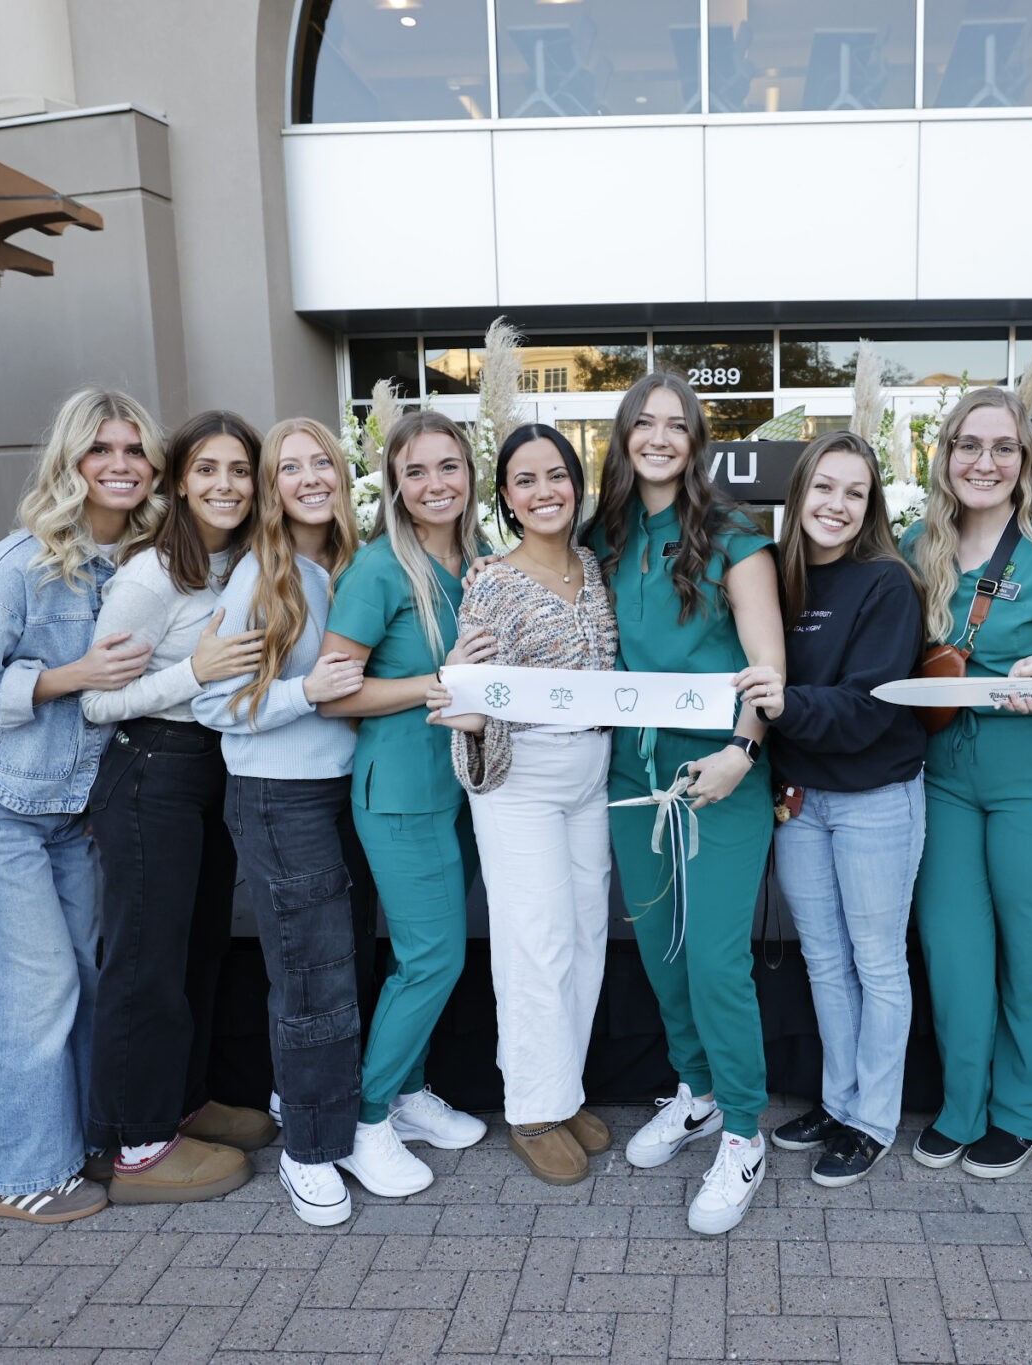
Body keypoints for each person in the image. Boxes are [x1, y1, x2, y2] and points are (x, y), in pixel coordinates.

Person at [0, 388, 163, 1224]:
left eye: (135, 449)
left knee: (83, 976)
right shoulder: (12, 566)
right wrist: (68, 677)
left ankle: (70, 1141)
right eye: (101, 449)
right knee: (25, 984)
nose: (120, 464)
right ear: (70, 461)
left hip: (62, 811)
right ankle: (13, 1173)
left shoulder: (138, 567)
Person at [589, 372, 785, 1235]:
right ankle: (697, 1092)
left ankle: (743, 1131)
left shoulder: (736, 536)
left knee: (712, 957)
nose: (660, 437)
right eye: (645, 422)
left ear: (697, 440)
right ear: (625, 436)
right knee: (661, 953)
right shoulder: (605, 534)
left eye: (677, 424)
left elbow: (767, 671)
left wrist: (744, 751)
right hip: (634, 771)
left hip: (720, 770)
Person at [901, 387, 1032, 1180]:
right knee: (952, 947)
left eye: (1002, 447)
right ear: (945, 455)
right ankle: (961, 1106)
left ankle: (1021, 1112)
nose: (983, 461)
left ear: (1026, 462)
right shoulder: (915, 545)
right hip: (947, 771)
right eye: (968, 444)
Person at [79, 410, 276, 1204]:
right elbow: (97, 702)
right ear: (178, 482)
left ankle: (182, 1106)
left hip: (210, 770)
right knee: (147, 961)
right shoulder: (148, 576)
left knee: (199, 951)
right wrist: (195, 670)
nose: (225, 485)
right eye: (207, 469)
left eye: (239, 470)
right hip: (150, 770)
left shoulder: (243, 562)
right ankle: (136, 1144)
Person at [427, 424, 618, 1186]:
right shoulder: (494, 583)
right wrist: (466, 707)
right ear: (505, 496)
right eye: (526, 480)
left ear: (577, 482)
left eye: (556, 475)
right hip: (522, 775)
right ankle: (532, 1109)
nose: (544, 492)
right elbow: (473, 694)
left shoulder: (593, 566)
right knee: (535, 941)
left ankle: (562, 1088)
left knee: (586, 932)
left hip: (591, 770)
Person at [194, 417, 367, 1226]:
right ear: (272, 487)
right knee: (312, 976)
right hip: (278, 795)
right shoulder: (259, 577)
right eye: (289, 467)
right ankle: (309, 1149)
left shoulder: (352, 563)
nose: (309, 477)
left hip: (345, 791)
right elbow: (212, 704)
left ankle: (310, 1100)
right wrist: (308, 692)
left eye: (320, 461)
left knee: (339, 967)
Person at [319, 410, 491, 1198]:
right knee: (434, 957)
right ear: (394, 483)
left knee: (418, 954)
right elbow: (334, 694)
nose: (434, 483)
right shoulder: (379, 569)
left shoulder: (482, 560)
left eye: (448, 466)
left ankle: (409, 1092)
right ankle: (365, 1120)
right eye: (415, 470)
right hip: (398, 793)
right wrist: (438, 682)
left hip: (464, 789)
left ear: (469, 474)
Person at [749, 431, 926, 1189]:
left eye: (855, 492)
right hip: (800, 798)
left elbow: (868, 708)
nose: (837, 505)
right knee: (824, 959)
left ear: (872, 504)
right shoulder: (774, 576)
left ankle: (873, 1121)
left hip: (874, 798)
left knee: (876, 962)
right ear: (799, 494)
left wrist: (784, 705)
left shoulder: (888, 582)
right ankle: (839, 1101)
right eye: (824, 487)